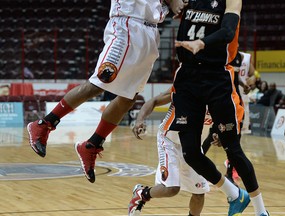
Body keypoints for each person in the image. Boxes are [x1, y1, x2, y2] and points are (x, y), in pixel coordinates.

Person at [26, 0, 186, 183]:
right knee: (100, 81)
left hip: (151, 30)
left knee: (128, 97)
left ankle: (91, 145)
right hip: (127, 23)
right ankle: (44, 124)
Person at [171, 0, 269, 215]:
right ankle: (235, 194)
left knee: (233, 151)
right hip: (187, 77)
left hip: (216, 77)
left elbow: (227, 31)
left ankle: (261, 211)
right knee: (190, 153)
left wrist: (201, 43)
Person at [128, 87, 211, 216]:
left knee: (199, 192)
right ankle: (142, 193)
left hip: (192, 145)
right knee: (171, 189)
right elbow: (154, 101)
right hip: (169, 140)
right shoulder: (184, 84)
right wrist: (140, 120)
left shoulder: (219, 93)